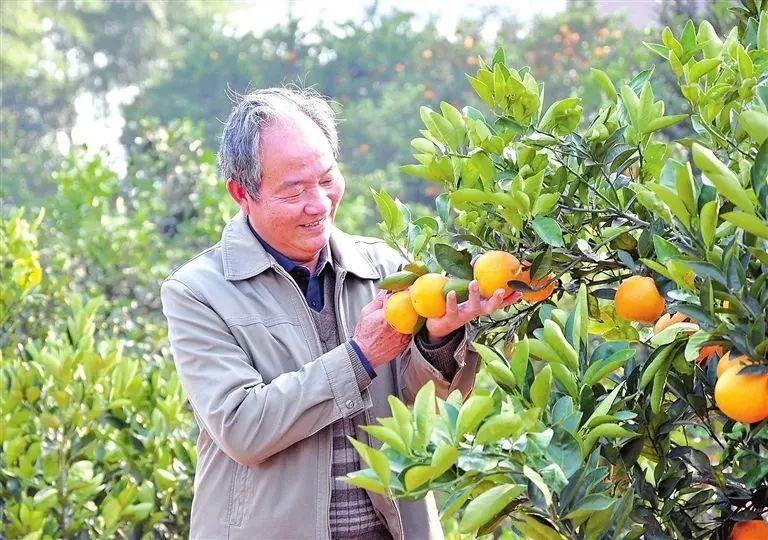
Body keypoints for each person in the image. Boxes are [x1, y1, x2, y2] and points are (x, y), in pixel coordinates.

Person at [160, 86, 521, 540]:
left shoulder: (386, 270)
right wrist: (360, 356)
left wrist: (440, 340)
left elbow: (421, 415)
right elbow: (242, 428)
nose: (319, 204)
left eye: (327, 180)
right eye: (293, 192)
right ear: (241, 192)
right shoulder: (199, 292)